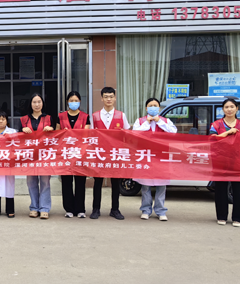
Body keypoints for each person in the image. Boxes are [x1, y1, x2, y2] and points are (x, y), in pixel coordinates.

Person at [132, 98, 177, 221]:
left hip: (161, 157)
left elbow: (173, 132)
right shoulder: (140, 121)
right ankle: (146, 210)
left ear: (159, 108)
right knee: (145, 186)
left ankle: (161, 211)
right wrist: (147, 123)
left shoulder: (165, 121)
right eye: (150, 105)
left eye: (155, 105)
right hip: (146, 157)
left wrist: (159, 122)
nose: (153, 107)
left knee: (161, 186)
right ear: (146, 108)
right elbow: (134, 133)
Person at [209, 98, 240, 227]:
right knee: (220, 191)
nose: (229, 109)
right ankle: (221, 216)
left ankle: (238, 218)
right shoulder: (216, 125)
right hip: (220, 161)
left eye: (232, 107)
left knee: (239, 191)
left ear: (237, 109)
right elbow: (212, 139)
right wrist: (228, 132)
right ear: (223, 109)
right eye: (226, 107)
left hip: (238, 162)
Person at [90, 87, 131, 220]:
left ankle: (115, 209)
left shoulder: (121, 115)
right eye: (106, 97)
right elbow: (91, 135)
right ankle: (96, 209)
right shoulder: (95, 116)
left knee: (115, 183)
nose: (109, 99)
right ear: (101, 98)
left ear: (115, 98)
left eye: (111, 96)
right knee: (98, 182)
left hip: (115, 154)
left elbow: (127, 134)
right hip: (100, 154)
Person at [55, 91, 90, 218]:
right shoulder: (61, 116)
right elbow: (56, 134)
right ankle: (69, 209)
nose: (74, 103)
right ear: (67, 102)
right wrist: (62, 133)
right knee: (66, 182)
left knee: (80, 182)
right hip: (65, 154)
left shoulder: (85, 117)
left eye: (76, 101)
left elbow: (86, 135)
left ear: (80, 102)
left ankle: (80, 209)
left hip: (80, 153)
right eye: (71, 100)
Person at [21, 93, 54, 219]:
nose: (37, 104)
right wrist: (22, 130)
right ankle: (34, 207)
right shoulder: (24, 120)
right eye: (34, 102)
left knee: (45, 182)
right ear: (30, 104)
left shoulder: (49, 118)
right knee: (31, 182)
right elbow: (17, 139)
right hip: (29, 156)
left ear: (43, 103)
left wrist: (51, 130)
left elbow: (57, 136)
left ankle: (44, 208)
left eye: (39, 102)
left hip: (45, 155)